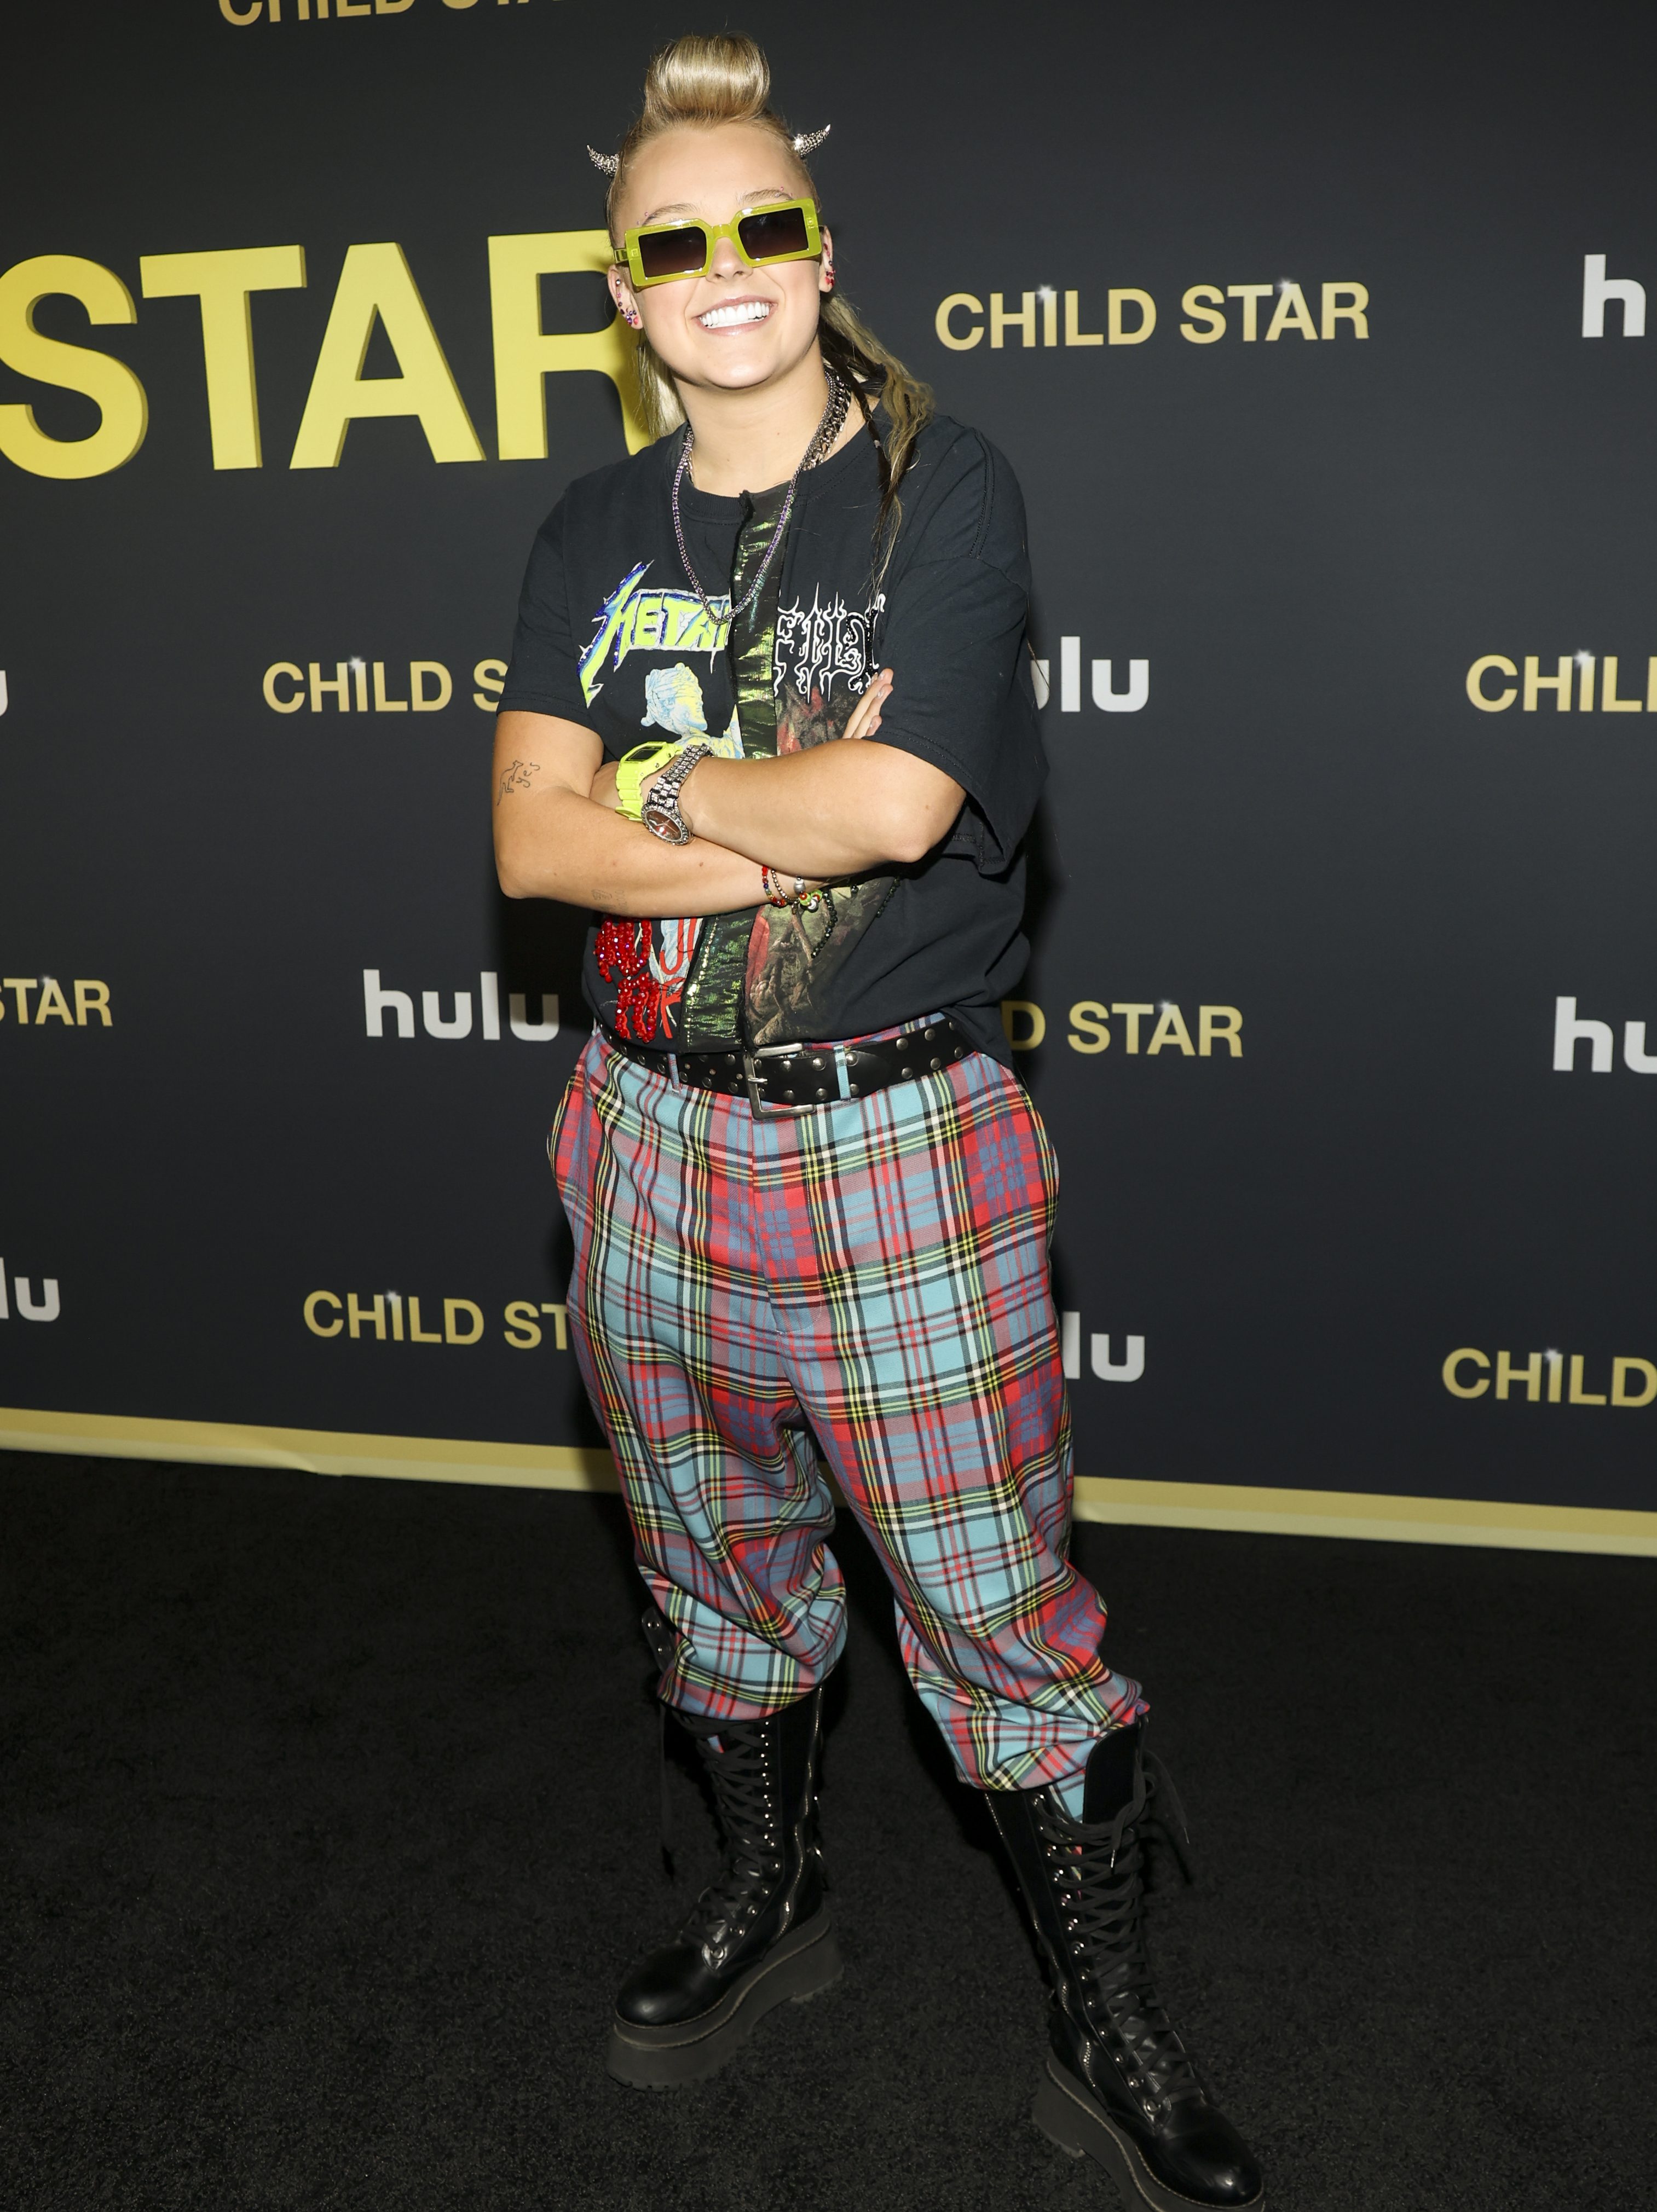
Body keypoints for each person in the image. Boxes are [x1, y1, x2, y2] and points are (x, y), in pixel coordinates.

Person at [492, 33, 1263, 2210]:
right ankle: (772, 1908)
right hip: (640, 1134)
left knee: (995, 1623)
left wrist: (652, 792)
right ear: (625, 290)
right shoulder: (581, 524)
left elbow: (898, 804)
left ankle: (1104, 2035)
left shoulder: (949, 484)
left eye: (761, 226)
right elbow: (529, 854)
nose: (722, 267)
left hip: (895, 1149)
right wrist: (756, 828)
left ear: (818, 257)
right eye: (674, 241)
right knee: (714, 1582)